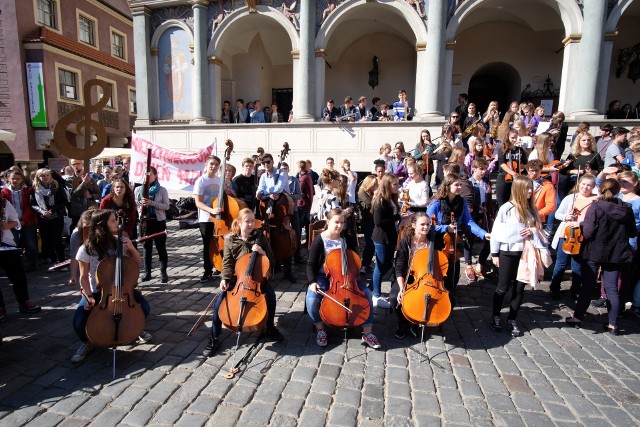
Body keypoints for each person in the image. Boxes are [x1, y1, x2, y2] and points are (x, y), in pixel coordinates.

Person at [71, 209, 151, 363]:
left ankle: (131, 330)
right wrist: (88, 297)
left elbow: (136, 261)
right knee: (79, 321)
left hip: (123, 288)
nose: (117, 223)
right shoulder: (86, 249)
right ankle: (87, 342)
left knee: (145, 309)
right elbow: (83, 277)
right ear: (102, 225)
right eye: (113, 221)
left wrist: (130, 247)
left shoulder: (119, 242)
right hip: (98, 291)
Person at [202, 209, 284, 357]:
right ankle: (214, 337)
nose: (251, 224)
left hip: (257, 279)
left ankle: (270, 326)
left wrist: (262, 253)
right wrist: (224, 279)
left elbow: (272, 261)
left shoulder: (260, 238)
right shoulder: (230, 240)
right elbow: (227, 264)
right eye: (247, 221)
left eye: (253, 221)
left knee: (270, 296)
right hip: (237, 279)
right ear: (239, 222)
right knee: (220, 301)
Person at [565, 179, 637, 335]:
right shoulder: (626, 209)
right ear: (617, 191)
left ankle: (577, 318)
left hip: (595, 251)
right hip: (617, 252)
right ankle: (613, 325)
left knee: (588, 286)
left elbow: (589, 232)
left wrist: (581, 224)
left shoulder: (596, 207)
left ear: (600, 190)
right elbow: (632, 232)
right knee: (612, 289)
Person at [305, 208, 381, 349]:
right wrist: (312, 282)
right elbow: (310, 264)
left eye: (342, 222)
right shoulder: (319, 240)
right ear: (328, 222)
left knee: (367, 294)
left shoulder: (347, 238)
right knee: (312, 298)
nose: (340, 226)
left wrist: (353, 274)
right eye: (336, 222)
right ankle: (320, 329)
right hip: (324, 276)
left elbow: (355, 259)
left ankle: (367, 332)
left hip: (348, 276)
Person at [489, 176, 543, 337]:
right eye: (526, 188)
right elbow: (496, 232)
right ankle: (496, 316)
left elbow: (539, 229)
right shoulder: (507, 208)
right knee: (503, 286)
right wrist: (495, 253)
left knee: (519, 288)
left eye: (531, 188)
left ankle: (512, 319)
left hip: (526, 252)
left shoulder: (532, 208)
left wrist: (532, 231)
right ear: (518, 189)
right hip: (508, 251)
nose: (530, 191)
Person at [427, 174, 489, 302]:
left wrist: (483, 234)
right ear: (447, 186)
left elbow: (468, 222)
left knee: (453, 273)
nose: (460, 187)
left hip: (452, 242)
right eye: (456, 185)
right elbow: (427, 224)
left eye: (461, 184)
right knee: (437, 270)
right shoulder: (436, 202)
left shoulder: (462, 201)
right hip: (436, 241)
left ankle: (449, 292)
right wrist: (445, 228)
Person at [549, 174, 597, 300]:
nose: (585, 187)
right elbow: (557, 214)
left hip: (582, 237)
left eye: (589, 185)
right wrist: (567, 217)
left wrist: (582, 221)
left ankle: (575, 289)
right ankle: (555, 287)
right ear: (579, 184)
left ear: (593, 187)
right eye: (583, 184)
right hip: (566, 234)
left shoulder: (596, 200)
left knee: (577, 265)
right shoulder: (570, 198)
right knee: (561, 263)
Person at [393, 212, 442, 338]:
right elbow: (399, 265)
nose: (426, 227)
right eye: (422, 224)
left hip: (429, 278)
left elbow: (441, 263)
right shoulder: (406, 241)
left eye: (428, 224)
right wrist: (401, 287)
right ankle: (403, 322)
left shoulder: (433, 241)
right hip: (408, 276)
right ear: (414, 225)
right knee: (395, 297)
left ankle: (416, 321)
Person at [0, 194, 41, 322]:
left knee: (18, 276)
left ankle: (24, 302)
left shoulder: (4, 203)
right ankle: (0, 307)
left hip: (6, 244)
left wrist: (7, 225)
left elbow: (16, 221)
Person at [256, 152, 295, 282]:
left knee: (287, 242)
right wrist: (267, 195)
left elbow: (278, 189)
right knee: (269, 241)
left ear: (273, 161)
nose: (266, 165)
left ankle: (288, 272)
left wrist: (265, 193)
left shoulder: (282, 173)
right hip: (269, 211)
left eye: (268, 162)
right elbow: (259, 193)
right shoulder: (262, 176)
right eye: (263, 163)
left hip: (284, 209)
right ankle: (274, 266)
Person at [134, 167, 170, 283]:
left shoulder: (162, 190)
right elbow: (136, 205)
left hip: (158, 221)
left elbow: (166, 206)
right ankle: (147, 272)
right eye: (145, 175)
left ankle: (163, 272)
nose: (147, 177)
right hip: (145, 221)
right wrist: (141, 207)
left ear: (155, 175)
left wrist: (152, 203)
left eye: (150, 175)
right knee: (146, 248)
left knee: (161, 247)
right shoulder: (138, 189)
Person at [371, 173, 401, 309]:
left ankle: (371, 287)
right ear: (387, 185)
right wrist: (397, 217)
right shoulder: (380, 200)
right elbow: (378, 222)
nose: (397, 186)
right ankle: (375, 295)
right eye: (395, 184)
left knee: (387, 264)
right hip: (381, 237)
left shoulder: (392, 198)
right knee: (380, 265)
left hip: (390, 236)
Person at [194, 156, 223, 282]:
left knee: (220, 244)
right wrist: (211, 210)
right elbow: (198, 203)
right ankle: (207, 271)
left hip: (219, 218)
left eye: (216, 164)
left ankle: (220, 266)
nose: (214, 167)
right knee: (207, 244)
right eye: (211, 164)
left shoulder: (219, 180)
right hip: (206, 218)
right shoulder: (201, 181)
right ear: (206, 165)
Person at [2, 169, 38, 271]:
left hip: (26, 221)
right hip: (11, 222)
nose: (15, 181)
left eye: (18, 179)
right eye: (13, 178)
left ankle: (33, 263)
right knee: (14, 243)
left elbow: (31, 207)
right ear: (9, 179)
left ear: (22, 179)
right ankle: (16, 264)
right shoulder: (4, 192)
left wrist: (23, 220)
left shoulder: (28, 191)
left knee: (30, 243)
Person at [31, 168, 67, 265]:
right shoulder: (35, 188)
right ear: (38, 177)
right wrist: (42, 211)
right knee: (47, 240)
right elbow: (33, 204)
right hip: (43, 217)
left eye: (47, 175)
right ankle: (54, 261)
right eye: (43, 176)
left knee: (57, 239)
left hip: (57, 216)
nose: (45, 178)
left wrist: (53, 210)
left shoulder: (57, 186)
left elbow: (64, 201)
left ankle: (62, 261)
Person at [467, 158, 493, 278]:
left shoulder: (487, 182)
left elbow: (489, 198)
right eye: (481, 169)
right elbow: (468, 200)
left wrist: (489, 212)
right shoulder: (469, 182)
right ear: (474, 169)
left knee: (489, 239)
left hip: (485, 214)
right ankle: (468, 265)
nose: (483, 172)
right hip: (472, 214)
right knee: (469, 239)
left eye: (485, 169)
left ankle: (481, 263)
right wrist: (477, 206)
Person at [495, 129, 528, 208]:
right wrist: (513, 173)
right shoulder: (502, 149)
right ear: (508, 137)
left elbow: (526, 163)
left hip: (516, 178)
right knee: (501, 203)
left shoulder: (519, 150)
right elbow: (502, 164)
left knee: (514, 202)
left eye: (516, 137)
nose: (514, 139)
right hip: (504, 176)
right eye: (512, 137)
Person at [67, 159, 100, 233]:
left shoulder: (90, 179)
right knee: (77, 230)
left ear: (82, 164)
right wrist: (84, 183)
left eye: (77, 163)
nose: (76, 166)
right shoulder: (69, 180)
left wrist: (91, 196)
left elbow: (98, 193)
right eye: (73, 164)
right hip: (77, 210)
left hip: (90, 208)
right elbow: (73, 194)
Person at [68, 209, 94, 287]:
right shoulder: (76, 234)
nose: (86, 226)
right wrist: (73, 275)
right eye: (85, 223)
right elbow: (74, 256)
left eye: (89, 224)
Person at [357, 175, 377, 274]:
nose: (375, 186)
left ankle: (368, 263)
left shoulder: (371, 193)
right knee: (369, 244)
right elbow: (370, 204)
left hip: (373, 221)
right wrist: (376, 195)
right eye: (373, 185)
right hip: (367, 222)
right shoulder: (362, 192)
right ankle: (364, 264)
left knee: (372, 245)